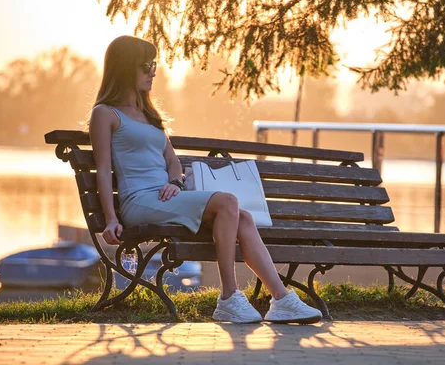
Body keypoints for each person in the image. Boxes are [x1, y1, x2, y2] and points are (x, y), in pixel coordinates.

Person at [89, 35, 322, 323]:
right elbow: (101, 169)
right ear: (125, 67)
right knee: (227, 203)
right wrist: (111, 219)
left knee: (244, 218)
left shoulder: (149, 115)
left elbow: (173, 161)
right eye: (146, 65)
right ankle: (228, 297)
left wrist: (174, 183)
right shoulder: (105, 114)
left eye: (154, 64)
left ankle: (282, 299)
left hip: (165, 198)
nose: (153, 71)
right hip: (139, 202)